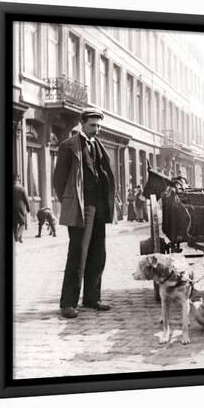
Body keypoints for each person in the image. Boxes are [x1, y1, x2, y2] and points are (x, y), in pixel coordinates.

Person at [53, 107, 116, 318]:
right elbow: (59, 181)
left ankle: (92, 298)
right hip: (81, 208)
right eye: (93, 125)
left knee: (98, 253)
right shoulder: (68, 146)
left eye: (99, 126)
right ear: (82, 123)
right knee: (78, 254)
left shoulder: (98, 145)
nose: (96, 130)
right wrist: (70, 202)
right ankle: (68, 303)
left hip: (98, 208)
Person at [12, 177, 30, 243]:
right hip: (20, 208)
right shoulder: (21, 188)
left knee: (14, 225)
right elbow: (26, 199)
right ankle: (18, 237)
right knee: (22, 223)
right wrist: (28, 208)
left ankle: (17, 238)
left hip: (13, 209)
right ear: (18, 180)